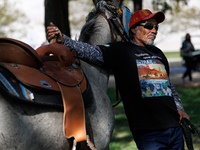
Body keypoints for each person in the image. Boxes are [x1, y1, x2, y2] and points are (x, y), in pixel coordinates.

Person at [47, 9, 190, 150]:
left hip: (175, 128)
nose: (154, 30)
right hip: (149, 133)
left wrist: (180, 109)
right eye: (148, 26)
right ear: (134, 29)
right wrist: (64, 39)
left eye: (156, 27)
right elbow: (90, 51)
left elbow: (168, 85)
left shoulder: (158, 53)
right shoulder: (121, 51)